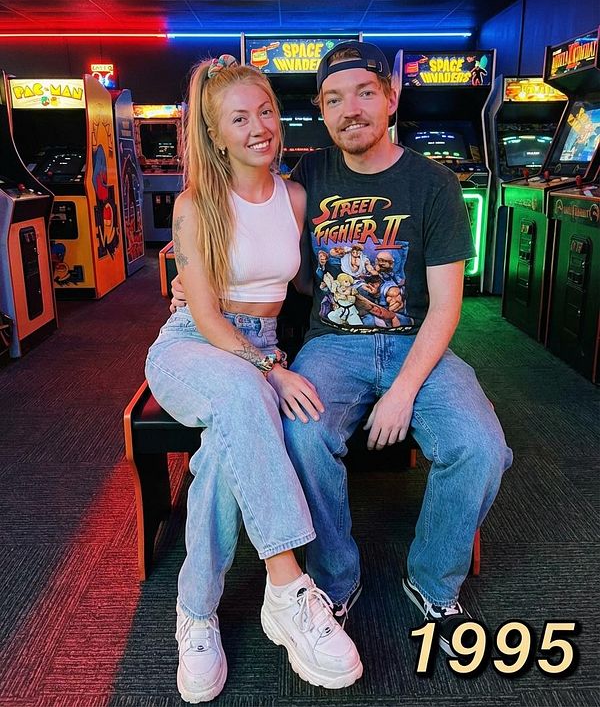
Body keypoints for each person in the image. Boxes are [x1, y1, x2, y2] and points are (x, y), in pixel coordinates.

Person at [171, 42, 513, 658]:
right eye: (333, 99)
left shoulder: (435, 183)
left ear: (391, 96)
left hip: (416, 345)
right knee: (301, 435)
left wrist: (403, 391)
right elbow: (284, 265)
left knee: (481, 446)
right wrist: (198, 284)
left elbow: (447, 306)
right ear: (322, 113)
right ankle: (333, 579)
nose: (349, 109)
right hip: (332, 345)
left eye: (362, 93)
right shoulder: (308, 178)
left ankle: (433, 578)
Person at [146, 55, 362, 703]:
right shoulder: (195, 204)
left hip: (259, 343)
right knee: (246, 395)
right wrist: (271, 369)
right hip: (194, 346)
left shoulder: (295, 197)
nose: (258, 127)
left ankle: (195, 613)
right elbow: (208, 317)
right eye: (239, 118)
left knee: (217, 459)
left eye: (265, 111)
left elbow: (306, 282)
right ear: (216, 134)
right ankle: (288, 584)